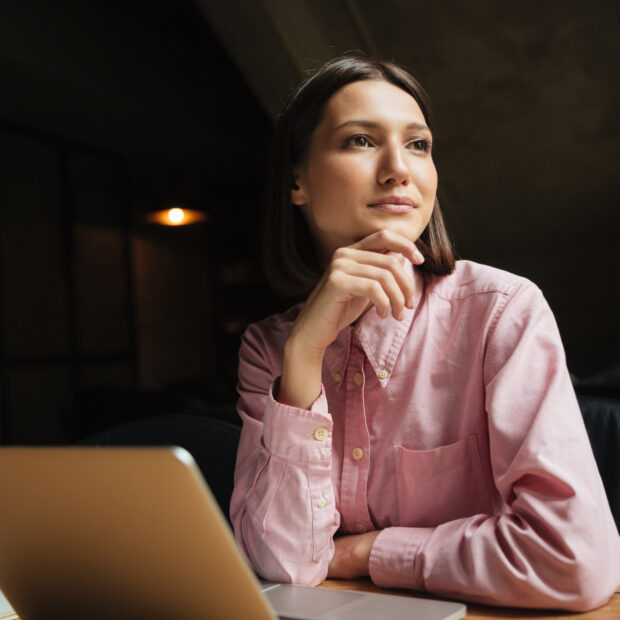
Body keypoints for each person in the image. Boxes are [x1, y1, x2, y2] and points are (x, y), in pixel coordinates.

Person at [230, 52, 620, 610]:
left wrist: (368, 553)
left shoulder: (502, 312)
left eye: (418, 144)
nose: (399, 169)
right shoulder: (270, 350)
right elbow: (282, 564)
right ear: (297, 182)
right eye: (360, 141)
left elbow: (573, 561)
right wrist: (304, 356)